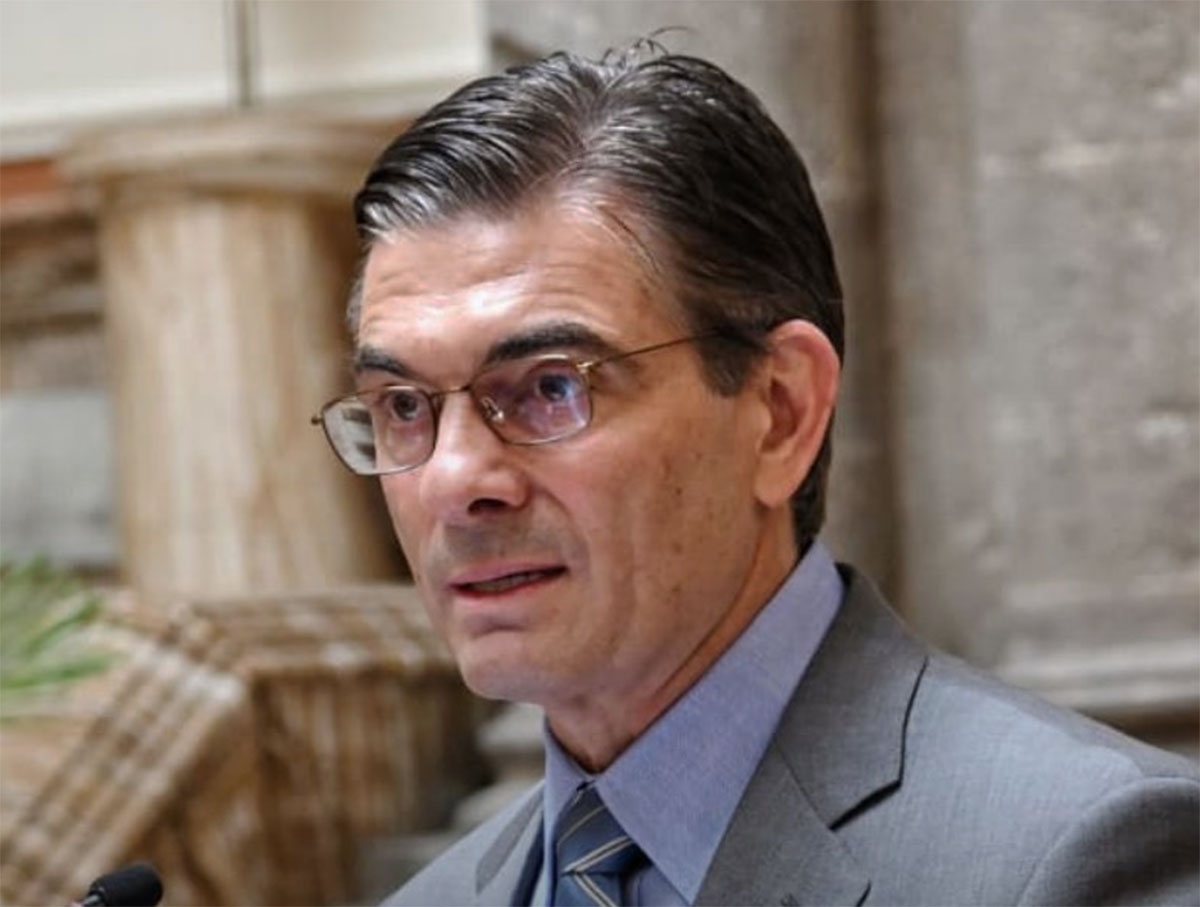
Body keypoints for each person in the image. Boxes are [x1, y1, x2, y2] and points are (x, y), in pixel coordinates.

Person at [312, 46, 1200, 906]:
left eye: (550, 387)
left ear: (781, 411)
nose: (455, 479)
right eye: (403, 405)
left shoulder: (1075, 860)